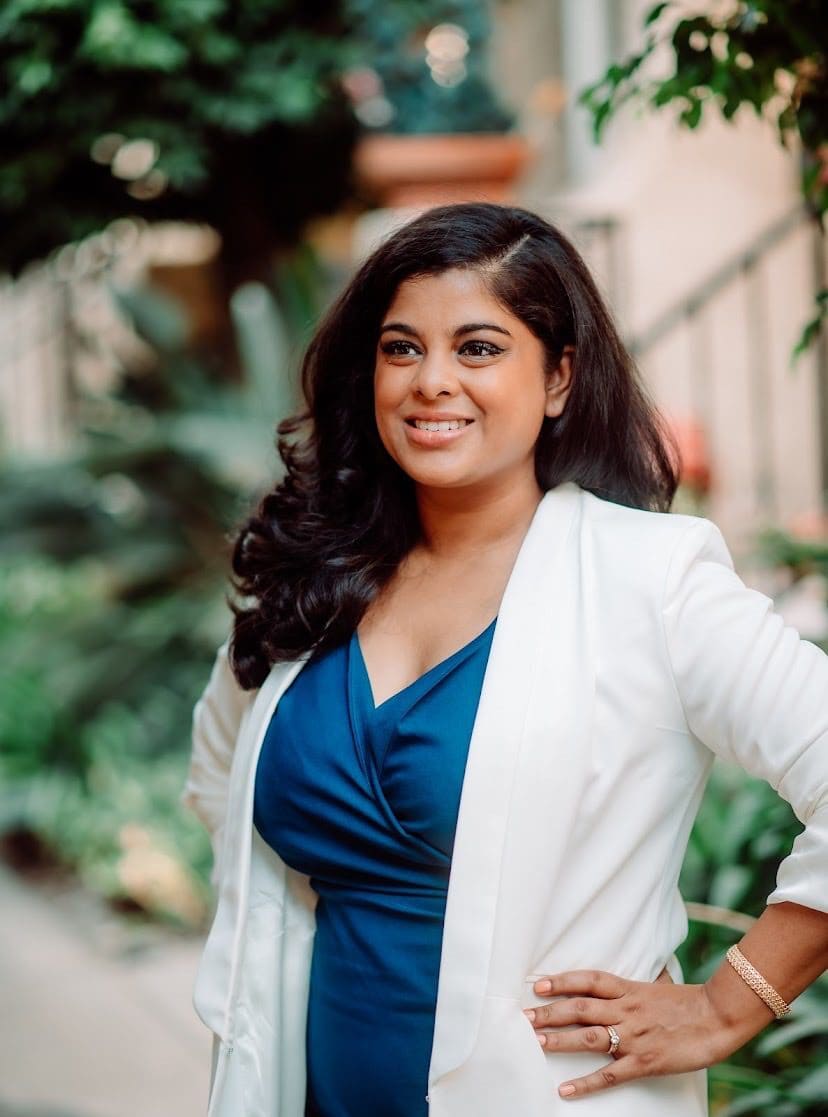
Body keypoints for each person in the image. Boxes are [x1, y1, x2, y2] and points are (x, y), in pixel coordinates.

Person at [180, 202, 828, 1117]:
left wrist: (732, 1003)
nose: (431, 381)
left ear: (559, 376)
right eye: (402, 348)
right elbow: (222, 786)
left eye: (478, 347)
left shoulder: (648, 579)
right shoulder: (314, 582)